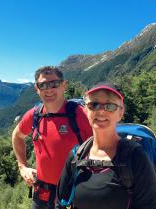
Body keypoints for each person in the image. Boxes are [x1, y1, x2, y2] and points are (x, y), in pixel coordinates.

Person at [56, 83, 156, 209]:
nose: (101, 110)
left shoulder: (135, 156)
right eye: (93, 105)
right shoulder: (76, 156)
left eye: (110, 105)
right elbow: (61, 203)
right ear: (86, 110)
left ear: (121, 112)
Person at [12, 66, 93, 209]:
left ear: (64, 85)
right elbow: (17, 136)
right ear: (37, 89)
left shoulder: (81, 115)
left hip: (72, 192)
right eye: (43, 85)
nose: (49, 89)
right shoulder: (34, 115)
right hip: (42, 193)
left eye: (54, 84)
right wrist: (22, 166)